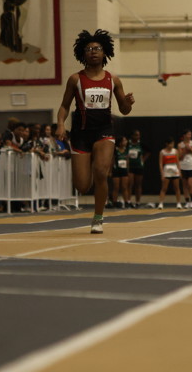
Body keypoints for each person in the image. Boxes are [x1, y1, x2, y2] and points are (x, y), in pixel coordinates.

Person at [56, 29, 134, 234]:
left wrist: (128, 103)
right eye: (89, 49)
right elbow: (64, 105)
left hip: (104, 132)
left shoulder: (113, 80)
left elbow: (124, 110)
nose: (93, 52)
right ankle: (87, 167)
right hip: (81, 134)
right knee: (82, 186)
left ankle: (98, 218)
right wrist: (61, 124)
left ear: (104, 52)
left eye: (97, 48)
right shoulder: (75, 79)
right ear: (83, 53)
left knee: (101, 172)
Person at [158, 137, 183, 209]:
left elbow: (178, 162)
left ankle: (178, 203)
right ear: (167, 144)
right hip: (166, 170)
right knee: (164, 188)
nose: (172, 145)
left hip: (175, 169)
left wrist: (179, 171)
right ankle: (161, 203)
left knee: (177, 188)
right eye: (171, 144)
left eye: (173, 144)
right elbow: (160, 163)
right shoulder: (162, 152)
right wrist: (162, 173)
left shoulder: (175, 151)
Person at [178, 129, 192, 209]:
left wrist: (191, 149)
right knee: (184, 185)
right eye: (188, 134)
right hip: (183, 166)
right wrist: (184, 151)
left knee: (190, 184)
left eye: (190, 134)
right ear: (184, 135)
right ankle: (187, 202)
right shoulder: (180, 145)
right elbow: (179, 157)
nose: (190, 136)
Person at [127, 129, 147, 208]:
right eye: (136, 135)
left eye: (139, 135)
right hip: (130, 167)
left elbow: (149, 151)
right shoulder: (128, 144)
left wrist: (143, 159)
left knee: (138, 184)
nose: (138, 136)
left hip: (139, 166)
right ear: (132, 136)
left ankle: (138, 201)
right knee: (130, 184)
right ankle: (128, 201)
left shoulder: (140, 144)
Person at [111, 135, 131, 210]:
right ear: (120, 142)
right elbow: (112, 161)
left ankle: (126, 202)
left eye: (126, 140)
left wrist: (128, 171)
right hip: (116, 170)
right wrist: (110, 171)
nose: (126, 142)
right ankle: (114, 202)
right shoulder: (115, 150)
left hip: (124, 170)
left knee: (124, 187)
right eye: (124, 140)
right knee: (116, 187)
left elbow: (127, 161)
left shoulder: (126, 150)